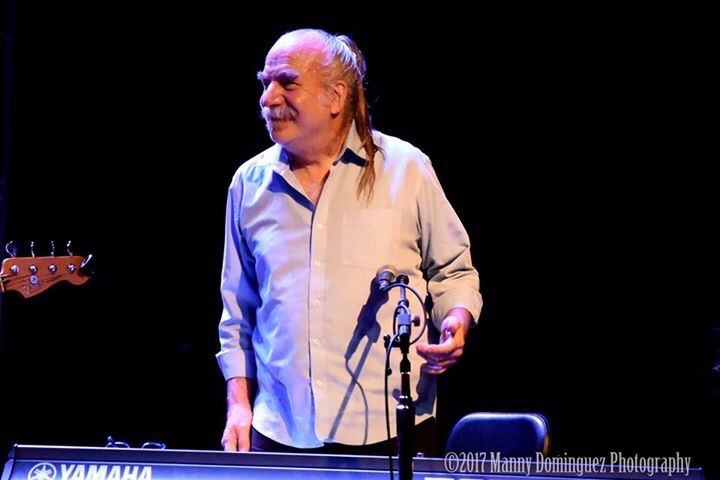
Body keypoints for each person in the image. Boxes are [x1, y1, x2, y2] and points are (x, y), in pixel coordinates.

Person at [216, 28, 482, 456]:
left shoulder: (406, 169)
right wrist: (239, 406)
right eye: (265, 83)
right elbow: (237, 313)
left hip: (390, 429)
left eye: (287, 82)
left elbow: (453, 271)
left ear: (336, 96)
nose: (268, 98)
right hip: (281, 430)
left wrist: (457, 318)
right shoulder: (249, 184)